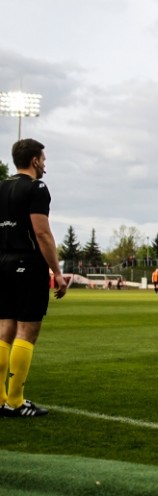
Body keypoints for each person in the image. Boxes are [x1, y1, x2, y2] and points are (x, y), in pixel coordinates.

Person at [0, 139, 67, 417]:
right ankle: (15, 401)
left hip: (2, 262)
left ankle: (1, 398)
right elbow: (41, 233)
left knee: (5, 329)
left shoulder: (1, 186)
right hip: (27, 263)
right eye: (43, 159)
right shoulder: (37, 188)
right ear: (35, 160)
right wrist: (57, 272)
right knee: (27, 331)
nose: (45, 164)